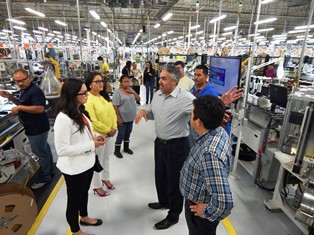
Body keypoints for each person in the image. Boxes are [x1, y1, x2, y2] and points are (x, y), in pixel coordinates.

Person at [135, 65, 241, 230]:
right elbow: (154, 113)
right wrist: (144, 112)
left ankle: (173, 215)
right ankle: (164, 202)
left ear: (174, 81)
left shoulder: (185, 98)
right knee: (160, 176)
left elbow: (204, 109)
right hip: (160, 143)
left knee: (174, 181)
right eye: (160, 78)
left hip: (176, 145)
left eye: (164, 79)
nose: (160, 81)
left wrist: (222, 102)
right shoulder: (157, 94)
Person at [54, 78, 105, 235]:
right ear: (72, 94)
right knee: (74, 200)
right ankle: (75, 230)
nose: (87, 95)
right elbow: (62, 150)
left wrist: (95, 136)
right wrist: (91, 145)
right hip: (74, 168)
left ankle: (84, 216)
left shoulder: (79, 110)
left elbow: (85, 131)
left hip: (86, 163)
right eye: (83, 93)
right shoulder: (63, 119)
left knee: (84, 194)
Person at [180, 95, 234, 235]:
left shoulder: (209, 153)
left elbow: (225, 202)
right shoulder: (217, 130)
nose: (189, 116)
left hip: (199, 213)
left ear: (198, 121)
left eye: (191, 114)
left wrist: (205, 211)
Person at [0, 69, 54, 190]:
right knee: (44, 150)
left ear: (28, 78)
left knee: (40, 154)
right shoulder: (25, 90)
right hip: (34, 126)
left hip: (37, 128)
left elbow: (39, 109)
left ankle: (45, 178)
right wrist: (10, 97)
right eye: (17, 81)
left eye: (22, 80)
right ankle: (50, 171)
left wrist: (19, 107)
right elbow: (23, 103)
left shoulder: (35, 91)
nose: (19, 83)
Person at [84, 72, 117, 197]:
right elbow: (92, 120)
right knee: (96, 161)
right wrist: (108, 130)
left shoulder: (103, 96)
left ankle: (105, 178)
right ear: (89, 84)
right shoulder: (88, 99)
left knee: (106, 157)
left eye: (101, 81)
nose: (100, 83)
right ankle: (96, 185)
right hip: (99, 134)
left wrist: (114, 127)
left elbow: (112, 112)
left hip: (110, 132)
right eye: (97, 81)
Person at [112, 75, 140, 159]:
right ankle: (117, 150)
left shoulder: (131, 90)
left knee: (128, 132)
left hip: (130, 117)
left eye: (128, 81)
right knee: (121, 134)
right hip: (122, 118)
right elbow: (115, 106)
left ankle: (126, 147)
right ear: (121, 82)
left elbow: (139, 99)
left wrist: (133, 93)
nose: (127, 83)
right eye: (125, 82)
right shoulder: (118, 92)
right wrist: (118, 117)